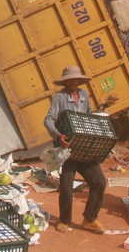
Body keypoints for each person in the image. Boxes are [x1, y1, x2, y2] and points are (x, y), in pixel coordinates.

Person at [44, 65, 107, 235]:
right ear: (65, 82)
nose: (74, 82)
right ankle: (65, 220)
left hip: (84, 148)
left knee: (99, 181)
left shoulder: (84, 95)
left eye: (76, 79)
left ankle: (90, 218)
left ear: (79, 80)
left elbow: (88, 115)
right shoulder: (59, 97)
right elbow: (49, 119)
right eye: (70, 80)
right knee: (66, 186)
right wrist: (58, 135)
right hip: (67, 149)